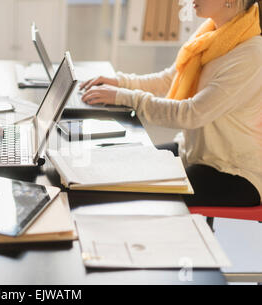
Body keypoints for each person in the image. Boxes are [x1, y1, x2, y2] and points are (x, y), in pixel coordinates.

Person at [80, 0, 262, 207]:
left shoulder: (250, 55)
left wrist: (123, 97)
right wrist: (120, 82)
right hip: (192, 152)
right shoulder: (212, 33)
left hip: (231, 172)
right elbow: (169, 79)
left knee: (135, 194)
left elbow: (191, 114)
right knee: (117, 166)